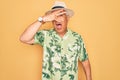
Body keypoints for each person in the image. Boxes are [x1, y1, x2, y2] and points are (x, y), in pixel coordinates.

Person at [19, 1, 92, 80]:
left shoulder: (77, 38)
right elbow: (24, 38)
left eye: (60, 15)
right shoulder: (45, 35)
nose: (57, 19)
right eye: (54, 16)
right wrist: (43, 19)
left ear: (67, 18)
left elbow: (85, 62)